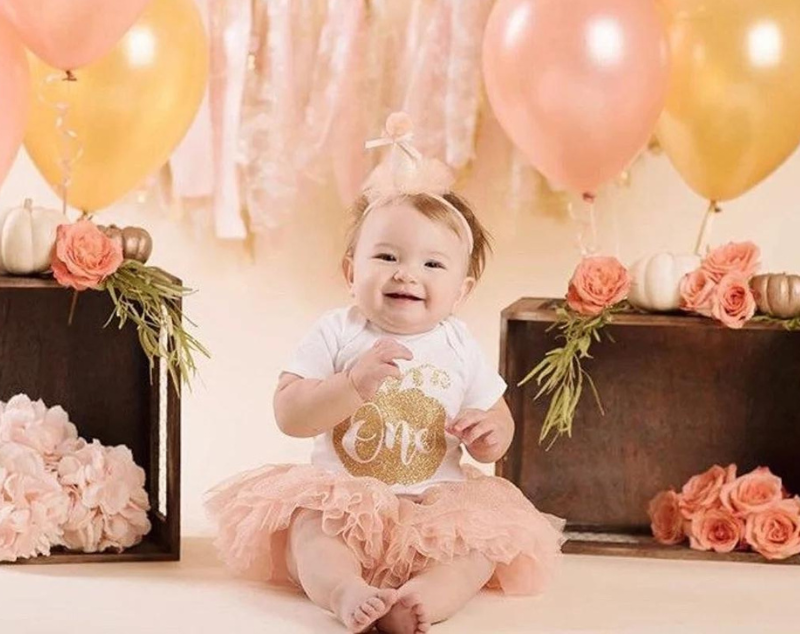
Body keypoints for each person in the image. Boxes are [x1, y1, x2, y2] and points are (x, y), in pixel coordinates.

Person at [206, 113, 563, 634]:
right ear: (352, 272)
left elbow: (499, 424)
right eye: (387, 256)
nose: (407, 273)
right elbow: (290, 414)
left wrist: (489, 436)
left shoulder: (459, 344)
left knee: (480, 546)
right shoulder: (337, 332)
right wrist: (350, 385)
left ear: (461, 291)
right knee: (312, 534)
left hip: (433, 505)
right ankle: (345, 590)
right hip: (344, 496)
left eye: (433, 265)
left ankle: (427, 598)